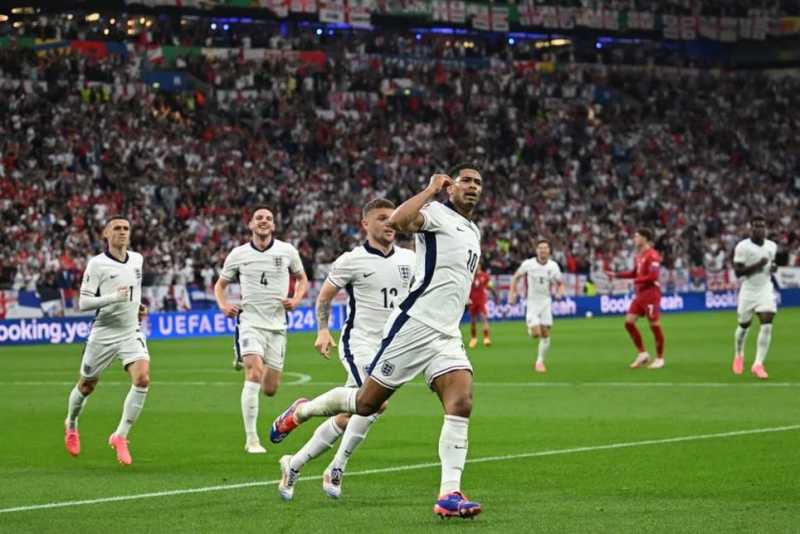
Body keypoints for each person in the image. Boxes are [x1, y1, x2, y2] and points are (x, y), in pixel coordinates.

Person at [271, 165, 484, 519]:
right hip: (414, 325)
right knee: (366, 403)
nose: (473, 187)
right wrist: (430, 189)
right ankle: (302, 411)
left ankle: (449, 493)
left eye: (478, 183)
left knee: (461, 401)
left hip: (447, 333)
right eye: (466, 181)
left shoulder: (472, 230)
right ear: (452, 187)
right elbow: (401, 222)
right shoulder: (434, 214)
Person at [277, 198, 415, 500]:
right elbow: (324, 298)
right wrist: (323, 330)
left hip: (393, 347)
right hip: (359, 343)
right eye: (381, 218)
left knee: (351, 413)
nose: (390, 223)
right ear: (365, 224)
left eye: (392, 218)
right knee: (376, 402)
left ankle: (294, 462)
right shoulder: (351, 260)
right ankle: (336, 465)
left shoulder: (408, 258)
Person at [214, 207, 308, 454]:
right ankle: (252, 439)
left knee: (270, 389)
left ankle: (241, 355)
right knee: (254, 372)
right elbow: (220, 285)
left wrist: (296, 300)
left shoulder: (287, 251)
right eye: (259, 218)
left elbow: (302, 279)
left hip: (277, 327)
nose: (264, 221)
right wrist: (223, 305)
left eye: (268, 218)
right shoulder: (238, 254)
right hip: (250, 322)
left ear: (273, 225)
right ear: (250, 224)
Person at [64, 216, 150, 466]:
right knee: (87, 385)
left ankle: (120, 435)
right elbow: (83, 303)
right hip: (103, 333)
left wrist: (137, 306)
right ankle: (71, 423)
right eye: (117, 229)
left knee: (142, 378)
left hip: (130, 330)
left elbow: (133, 291)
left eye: (126, 228)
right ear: (106, 234)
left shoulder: (137, 259)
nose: (122, 232)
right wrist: (113, 297)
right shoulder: (97, 264)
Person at [606, 228, 666, 369]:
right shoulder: (638, 255)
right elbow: (634, 273)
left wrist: (636, 281)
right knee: (629, 323)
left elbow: (653, 276)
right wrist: (616, 275)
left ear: (645, 238)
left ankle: (660, 358)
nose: (634, 239)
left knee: (655, 326)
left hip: (651, 295)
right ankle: (642, 354)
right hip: (640, 295)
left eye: (637, 236)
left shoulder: (653, 255)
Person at [508, 239, 565, 373]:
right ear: (536, 250)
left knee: (545, 334)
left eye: (545, 248)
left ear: (549, 251)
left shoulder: (553, 266)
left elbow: (560, 283)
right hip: (532, 302)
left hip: (546, 302)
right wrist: (512, 293)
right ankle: (530, 327)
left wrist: (560, 293)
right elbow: (516, 277)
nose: (543, 250)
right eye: (540, 248)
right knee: (536, 333)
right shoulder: (528, 264)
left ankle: (539, 362)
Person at [732, 215, 778, 379]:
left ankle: (758, 364)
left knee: (767, 323)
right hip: (749, 290)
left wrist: (773, 268)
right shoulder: (742, 247)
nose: (760, 229)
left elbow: (771, 265)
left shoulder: (772, 246)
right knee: (744, 326)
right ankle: (739, 355)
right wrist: (758, 265)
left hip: (765, 288)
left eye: (762, 226)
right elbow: (738, 272)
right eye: (756, 226)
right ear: (750, 228)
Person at [467, 264, 495, 348]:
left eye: (478, 265)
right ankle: (473, 338)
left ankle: (486, 338)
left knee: (484, 318)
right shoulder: (469, 275)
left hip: (481, 300)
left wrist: (495, 294)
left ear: (480, 266)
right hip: (472, 301)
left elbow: (490, 286)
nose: (476, 266)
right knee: (473, 320)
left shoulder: (485, 276)